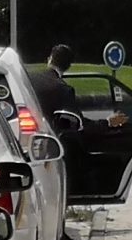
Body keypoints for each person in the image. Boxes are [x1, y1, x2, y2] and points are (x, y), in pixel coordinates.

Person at [29, 44, 126, 196]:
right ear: (68, 66)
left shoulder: (29, 81)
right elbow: (78, 126)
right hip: (51, 150)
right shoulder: (63, 90)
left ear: (50, 59)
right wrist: (107, 122)